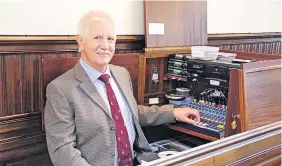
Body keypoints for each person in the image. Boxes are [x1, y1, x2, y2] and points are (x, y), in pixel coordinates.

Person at [44, 10, 200, 166]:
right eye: (97, 37)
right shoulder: (60, 89)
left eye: (110, 39)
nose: (105, 46)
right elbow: (62, 152)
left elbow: (130, 113)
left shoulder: (121, 73)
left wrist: (173, 113)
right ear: (81, 41)